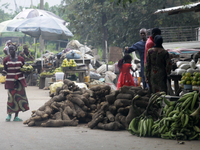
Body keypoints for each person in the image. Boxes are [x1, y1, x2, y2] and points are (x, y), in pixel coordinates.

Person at [2, 44, 29, 122]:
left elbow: (24, 69)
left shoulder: (21, 59)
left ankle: (16, 116)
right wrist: (3, 72)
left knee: (19, 98)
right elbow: (5, 70)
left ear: (15, 50)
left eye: (12, 49)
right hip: (10, 82)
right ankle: (9, 115)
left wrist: (28, 71)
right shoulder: (6, 60)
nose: (11, 51)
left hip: (19, 82)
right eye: (9, 49)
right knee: (11, 98)